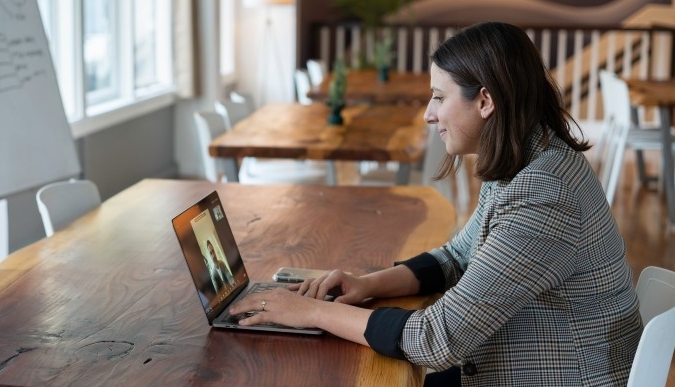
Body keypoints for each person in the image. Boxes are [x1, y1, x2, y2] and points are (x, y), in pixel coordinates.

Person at [229, 21, 642, 387]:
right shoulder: (527, 160)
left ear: (485, 101)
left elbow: (437, 339)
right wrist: (367, 284)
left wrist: (308, 313)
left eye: (438, 97)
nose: (428, 114)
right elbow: (456, 257)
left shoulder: (546, 192)